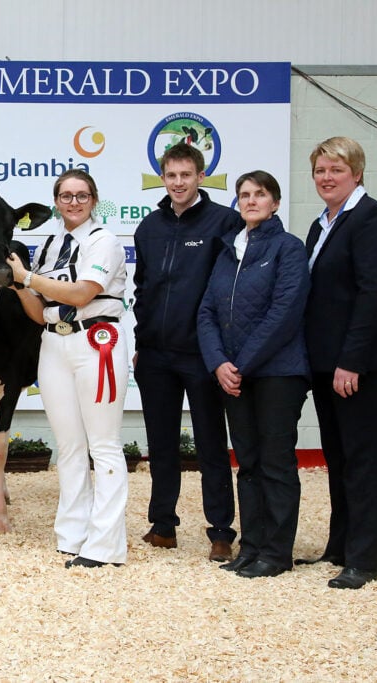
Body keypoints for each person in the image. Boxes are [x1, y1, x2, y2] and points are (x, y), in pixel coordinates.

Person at [299, 137, 377, 589]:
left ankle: (366, 558)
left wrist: (351, 362)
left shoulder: (371, 218)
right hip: (328, 363)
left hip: (359, 364)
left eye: (336, 170)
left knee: (362, 458)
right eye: (321, 170)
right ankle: (341, 543)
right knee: (338, 455)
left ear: (357, 173)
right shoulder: (322, 223)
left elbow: (372, 295)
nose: (327, 177)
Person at [7, 169, 129, 568]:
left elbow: (82, 293)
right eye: (65, 196)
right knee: (71, 446)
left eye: (81, 195)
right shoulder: (51, 244)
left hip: (97, 341)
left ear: (94, 199)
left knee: (104, 444)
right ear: (56, 201)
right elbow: (40, 313)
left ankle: (106, 545)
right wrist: (19, 285)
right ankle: (72, 534)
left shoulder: (104, 241)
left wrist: (28, 276)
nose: (73, 202)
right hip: (55, 340)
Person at [132, 142, 243, 562]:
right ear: (163, 177)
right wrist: (143, 344)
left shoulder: (224, 222)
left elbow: (230, 289)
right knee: (161, 444)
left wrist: (221, 352)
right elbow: (143, 292)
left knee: (211, 444)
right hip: (156, 355)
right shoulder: (149, 227)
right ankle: (163, 526)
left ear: (200, 177)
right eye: (171, 175)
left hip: (202, 355)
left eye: (186, 175)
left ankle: (220, 532)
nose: (178, 182)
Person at [197, 171, 310, 579]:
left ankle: (277, 552)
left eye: (259, 194)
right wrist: (218, 363)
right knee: (247, 463)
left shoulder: (288, 248)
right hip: (234, 376)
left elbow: (284, 313)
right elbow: (206, 311)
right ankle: (252, 546)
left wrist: (240, 363)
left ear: (275, 203)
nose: (250, 201)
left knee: (275, 462)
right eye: (243, 195)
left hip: (278, 374)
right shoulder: (229, 250)